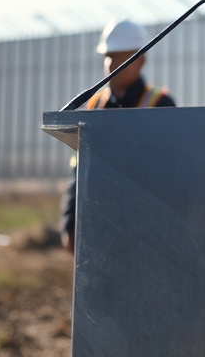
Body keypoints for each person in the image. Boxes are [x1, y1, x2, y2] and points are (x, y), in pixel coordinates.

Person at [59, 17, 175, 253]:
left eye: (121, 56)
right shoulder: (94, 104)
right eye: (108, 56)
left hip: (147, 229)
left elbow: (171, 176)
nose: (112, 63)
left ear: (141, 60)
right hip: (100, 222)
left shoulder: (160, 104)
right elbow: (79, 167)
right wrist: (70, 221)